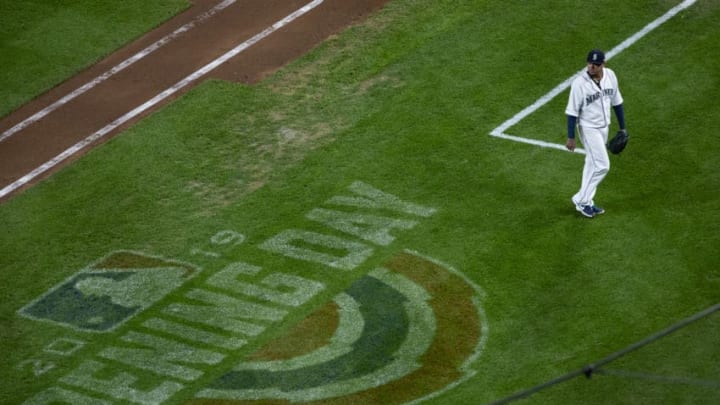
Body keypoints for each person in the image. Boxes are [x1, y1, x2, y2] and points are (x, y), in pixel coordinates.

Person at [565, 49, 627, 218]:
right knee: (603, 165)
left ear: (603, 65)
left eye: (596, 64)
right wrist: (571, 137)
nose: (592, 67)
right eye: (590, 63)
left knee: (592, 163)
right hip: (588, 128)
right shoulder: (579, 84)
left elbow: (617, 103)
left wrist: (623, 128)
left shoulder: (611, 76)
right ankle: (581, 198)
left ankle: (587, 202)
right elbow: (572, 112)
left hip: (604, 127)